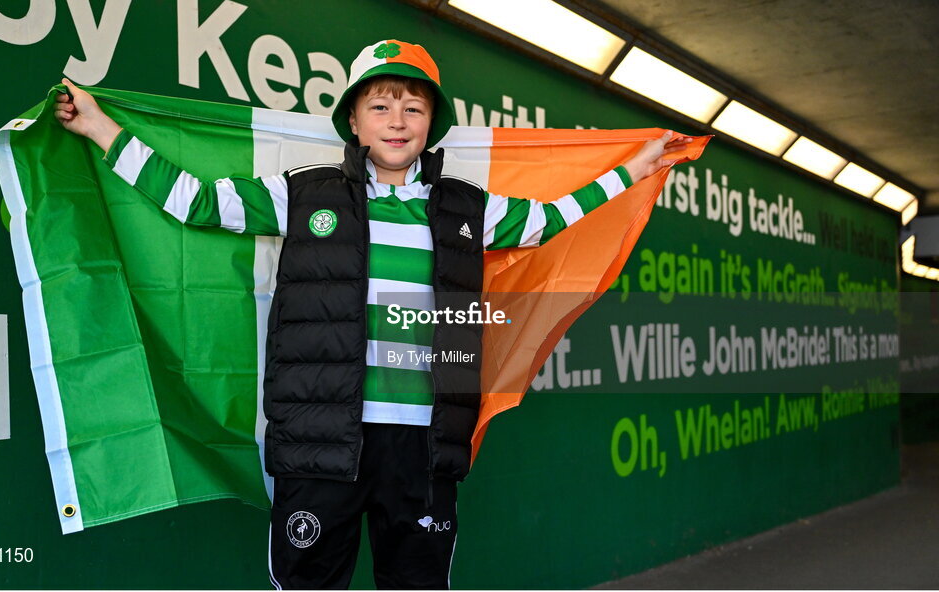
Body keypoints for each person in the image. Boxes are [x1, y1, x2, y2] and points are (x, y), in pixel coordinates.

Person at [54, 39, 690, 589]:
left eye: (413, 107)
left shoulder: (467, 208)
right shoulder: (303, 196)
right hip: (321, 443)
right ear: (353, 122)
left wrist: (635, 168)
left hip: (423, 448)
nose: (397, 119)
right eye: (379, 105)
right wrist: (100, 128)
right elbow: (195, 201)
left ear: (430, 123)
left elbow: (553, 219)